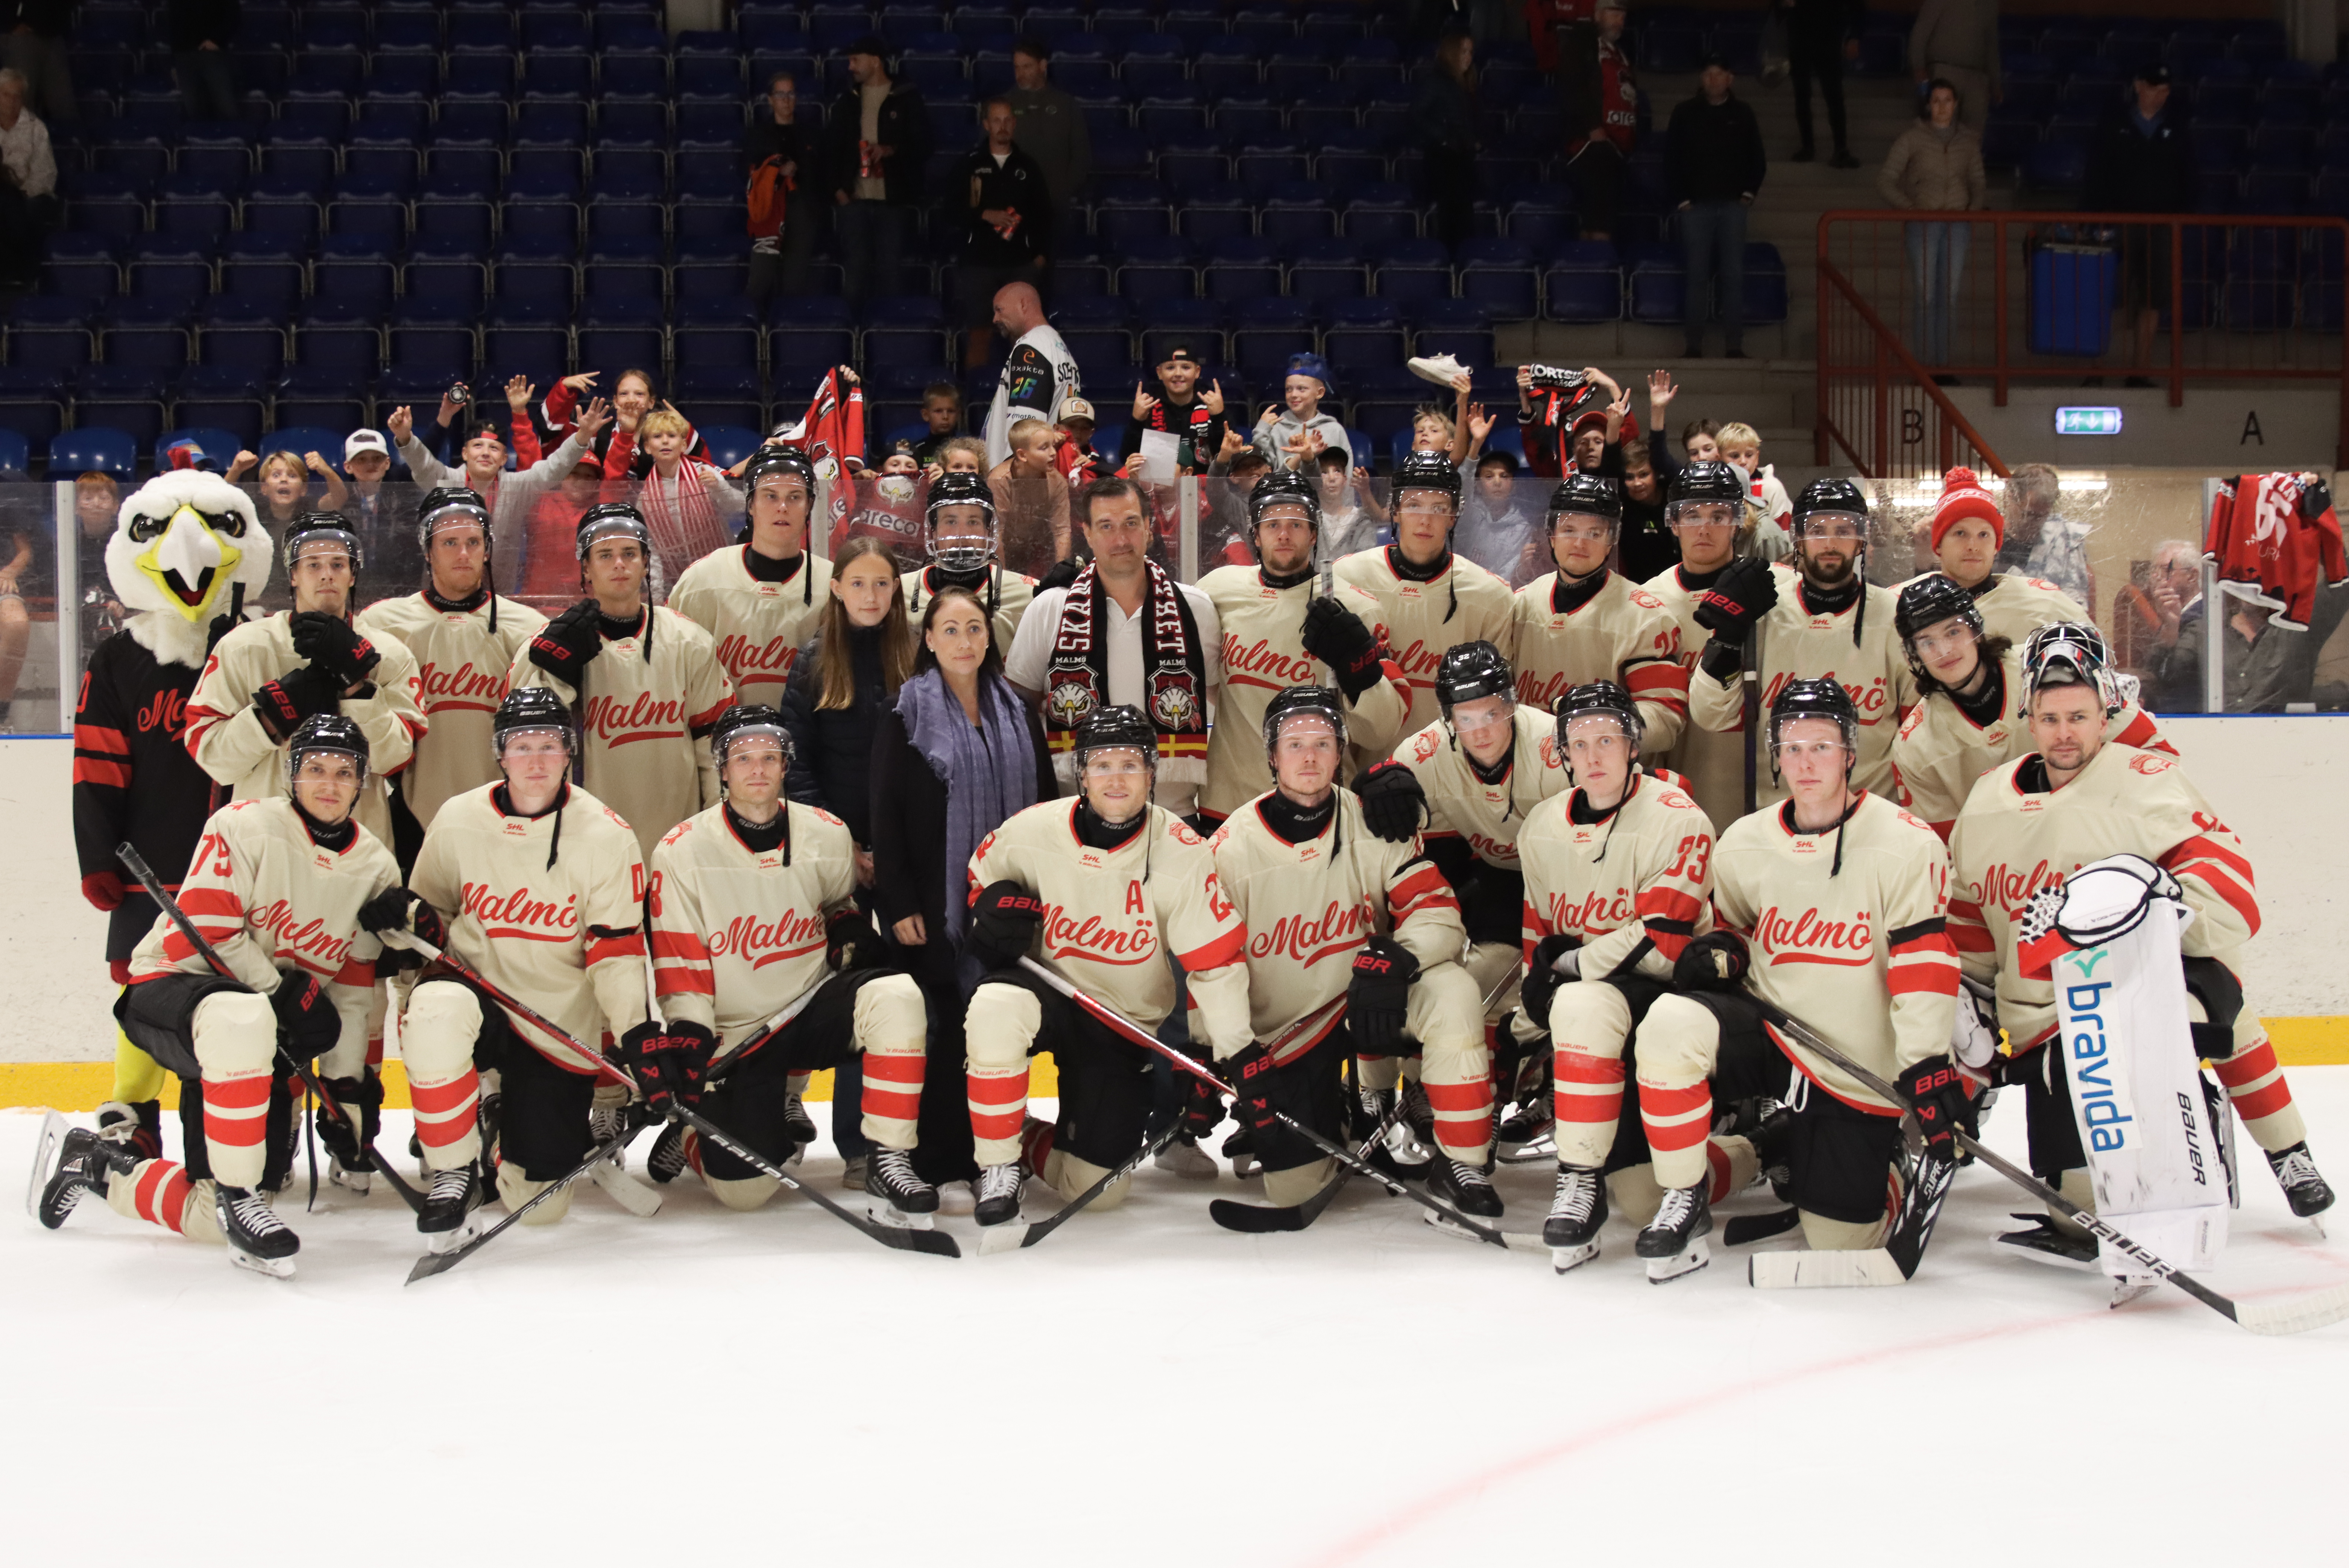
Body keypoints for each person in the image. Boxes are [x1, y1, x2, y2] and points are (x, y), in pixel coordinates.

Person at [1949, 627, 2335, 1251]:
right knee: (2084, 1213)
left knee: (2222, 1013)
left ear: (2106, 712)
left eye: (2079, 715)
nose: (2065, 732)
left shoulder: (2148, 777)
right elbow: (1970, 923)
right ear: (2030, 718)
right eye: (2050, 718)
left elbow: (2228, 882)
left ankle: (2288, 1150)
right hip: (2046, 1025)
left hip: (2140, 992)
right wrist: (1967, 1004)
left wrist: (2158, 899)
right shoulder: (1987, 802)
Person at [36, 716, 401, 1273]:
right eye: (316, 769)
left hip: (256, 1036)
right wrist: (279, 991)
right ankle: (236, 1193)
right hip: (172, 993)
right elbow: (208, 930)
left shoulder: (375, 865)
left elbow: (352, 987)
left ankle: (98, 1166)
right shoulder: (242, 823)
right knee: (242, 1013)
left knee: (216, 1215)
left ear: (362, 783)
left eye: (344, 772)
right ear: (291, 775)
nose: (329, 783)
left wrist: (343, 1089)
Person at [1627, 679, 1960, 1272]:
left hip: (1850, 1063)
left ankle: (1875, 1160)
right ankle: (1690, 1189)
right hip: (1774, 1032)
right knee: (1671, 1022)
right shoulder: (1744, 842)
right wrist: (1719, 950)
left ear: (1850, 752)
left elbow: (1923, 964)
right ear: (1776, 755)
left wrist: (1926, 1066)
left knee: (1839, 1243)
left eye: (1822, 747)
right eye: (1792, 747)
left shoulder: (1906, 844)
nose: (1806, 762)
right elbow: (1735, 930)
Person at [644, 705, 939, 1221]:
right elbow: (679, 961)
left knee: (896, 994)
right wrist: (689, 1034)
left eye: (769, 758)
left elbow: (836, 906)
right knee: (745, 1191)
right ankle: (694, 1130)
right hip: (740, 1030)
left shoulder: (827, 832)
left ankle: (888, 1156)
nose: (757, 769)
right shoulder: (680, 850)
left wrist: (846, 923)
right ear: (723, 767)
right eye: (743, 759)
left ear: (786, 765)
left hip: (807, 1008)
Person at [958, 704, 1249, 1224]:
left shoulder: (1183, 852)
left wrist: (1231, 1058)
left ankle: (1020, 1136)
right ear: (1081, 774)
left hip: (1122, 1021)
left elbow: (1215, 966)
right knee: (996, 1004)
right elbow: (982, 874)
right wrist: (990, 903)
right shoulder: (1035, 829)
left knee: (1098, 1188)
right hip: (1047, 990)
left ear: (1152, 774)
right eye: (1102, 765)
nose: (1116, 779)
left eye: (1130, 765)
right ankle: (996, 1165)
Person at [1207, 686, 1490, 1210]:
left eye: (1322, 742)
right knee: (1293, 1187)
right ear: (1271, 756)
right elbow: (1209, 964)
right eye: (1294, 744)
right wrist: (1223, 1052)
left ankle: (1463, 1164)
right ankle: (1336, 1114)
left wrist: (1396, 956)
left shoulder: (1374, 821)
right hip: (1290, 1032)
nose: (1309, 756)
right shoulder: (1230, 847)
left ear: (1341, 752)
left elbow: (1437, 913)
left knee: (1451, 990)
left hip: (1370, 998)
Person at [1512, 682, 1755, 1269]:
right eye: (1579, 744)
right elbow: (1538, 939)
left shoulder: (1678, 819)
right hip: (1596, 1017)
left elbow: (1660, 943)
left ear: (1632, 746)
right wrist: (1523, 1024)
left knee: (1582, 998)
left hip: (1674, 1008)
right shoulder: (1542, 827)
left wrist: (1569, 965)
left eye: (1607, 740)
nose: (1593, 756)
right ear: (1563, 754)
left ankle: (1757, 1150)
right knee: (1637, 1196)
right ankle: (1581, 1179)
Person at [395, 688, 653, 1239]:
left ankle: (496, 1128)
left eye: (550, 746)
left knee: (541, 1207)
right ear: (500, 753)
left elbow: (615, 954)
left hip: (555, 1027)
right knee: (436, 1007)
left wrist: (638, 1037)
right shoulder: (459, 817)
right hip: (475, 998)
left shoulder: (607, 834)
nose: (535, 760)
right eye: (521, 745)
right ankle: (454, 1170)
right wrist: (409, 919)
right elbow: (430, 916)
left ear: (570, 753)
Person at [72, 469, 275, 1170]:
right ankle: (135, 1110)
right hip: (148, 861)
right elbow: (97, 766)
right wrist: (98, 859)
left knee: (244, 989)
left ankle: (239, 1120)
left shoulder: (260, 647)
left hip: (247, 862)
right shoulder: (120, 656)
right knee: (143, 983)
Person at [871, 581, 1055, 1198]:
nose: (963, 640)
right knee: (944, 1024)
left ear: (990, 637)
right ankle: (941, 1156)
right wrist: (898, 903)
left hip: (1007, 903)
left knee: (993, 1026)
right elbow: (886, 814)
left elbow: (1047, 809)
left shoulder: (1018, 710)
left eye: (973, 627)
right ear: (927, 639)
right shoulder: (907, 710)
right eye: (949, 629)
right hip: (932, 902)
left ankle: (996, 1155)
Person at [1356, 641, 1570, 1151]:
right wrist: (1374, 787)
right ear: (1448, 718)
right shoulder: (1424, 753)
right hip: (1498, 875)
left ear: (1512, 704)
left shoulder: (1554, 745)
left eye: (1492, 712)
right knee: (1468, 978)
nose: (1481, 729)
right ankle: (1472, 1092)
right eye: (1466, 716)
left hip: (1571, 879)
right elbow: (1410, 844)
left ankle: (1561, 1086)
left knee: (1567, 987)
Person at [774, 538, 913, 1180]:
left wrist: (896, 844)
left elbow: (925, 763)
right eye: (858, 582)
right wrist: (844, 848)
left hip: (902, 850)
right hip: (835, 853)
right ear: (836, 587)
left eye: (882, 583)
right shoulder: (811, 661)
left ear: (896, 591)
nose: (870, 595)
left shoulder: (915, 656)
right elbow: (793, 765)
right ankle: (785, 1103)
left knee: (894, 993)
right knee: (826, 982)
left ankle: (874, 1144)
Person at [510, 502, 737, 862]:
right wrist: (556, 677)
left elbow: (713, 747)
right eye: (605, 554)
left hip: (678, 841)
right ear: (585, 566)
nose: (619, 563)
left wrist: (718, 824)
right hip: (585, 846)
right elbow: (521, 754)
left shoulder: (689, 641)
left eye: (630, 553)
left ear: (647, 562)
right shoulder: (544, 648)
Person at [184, 514, 427, 849]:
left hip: (358, 848)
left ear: (353, 575)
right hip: (264, 843)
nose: (327, 574)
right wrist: (271, 716)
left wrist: (358, 688)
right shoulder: (243, 646)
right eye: (312, 564)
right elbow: (212, 757)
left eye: (338, 564)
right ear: (294, 575)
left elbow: (394, 759)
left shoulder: (389, 653)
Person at [1686, 475, 1914, 806]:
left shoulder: (1895, 616)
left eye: (1843, 531)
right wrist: (1727, 639)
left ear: (1861, 540)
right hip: (1775, 812)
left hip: (1870, 815)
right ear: (1798, 538)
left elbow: (1916, 734)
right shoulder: (1763, 608)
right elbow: (1711, 715)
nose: (1830, 543)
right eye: (1817, 530)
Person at [1198, 471, 1409, 825]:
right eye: (1272, 524)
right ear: (1255, 534)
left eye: (1296, 524)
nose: (1283, 534)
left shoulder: (1355, 607)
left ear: (1313, 533)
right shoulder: (1217, 590)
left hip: (1319, 800)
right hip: (1227, 801)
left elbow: (1380, 731)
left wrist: (1358, 667)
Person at [1006, 477, 1224, 819]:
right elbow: (1017, 714)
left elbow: (1217, 702)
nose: (1121, 539)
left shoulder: (1196, 608)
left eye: (1131, 523)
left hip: (1172, 815)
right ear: (1087, 533)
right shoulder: (1050, 609)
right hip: (1075, 815)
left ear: (1149, 528)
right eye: (1106, 526)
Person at [354, 489, 548, 867]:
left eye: (473, 542)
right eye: (450, 543)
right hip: (410, 808)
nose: (463, 554)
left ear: (488, 550)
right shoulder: (382, 624)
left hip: (506, 811)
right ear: (428, 551)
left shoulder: (529, 627)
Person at [1892, 583, 2171, 838]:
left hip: (2099, 840)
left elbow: (2154, 753)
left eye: (1953, 632)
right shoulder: (1915, 746)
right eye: (1927, 642)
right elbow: (1946, 853)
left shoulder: (2056, 664)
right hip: (2007, 869)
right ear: (1913, 654)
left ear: (1975, 629)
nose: (1944, 650)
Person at [1332, 451, 1517, 735]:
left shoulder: (1492, 597)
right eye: (1414, 505)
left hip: (1450, 765)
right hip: (1366, 764)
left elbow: (1497, 704)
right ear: (1395, 510)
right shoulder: (1346, 578)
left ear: (1454, 516)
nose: (1425, 520)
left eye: (1439, 508)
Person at [1509, 472, 1689, 747]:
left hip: (1602, 777)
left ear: (1611, 540)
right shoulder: (1522, 602)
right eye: (1569, 530)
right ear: (1551, 535)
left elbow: (1664, 718)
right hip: (1530, 773)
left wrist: (1600, 724)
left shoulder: (1645, 614)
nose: (1580, 543)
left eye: (1594, 533)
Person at [1638, 462, 1759, 832]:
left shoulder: (1770, 591)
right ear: (1672, 523)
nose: (1704, 528)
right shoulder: (1647, 601)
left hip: (1751, 783)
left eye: (1718, 515)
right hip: (1674, 786)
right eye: (1691, 516)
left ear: (1737, 522)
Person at [667, 448, 834, 709]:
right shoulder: (701, 580)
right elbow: (673, 673)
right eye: (770, 496)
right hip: (721, 744)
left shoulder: (835, 584)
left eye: (795, 497)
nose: (782, 507)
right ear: (751, 504)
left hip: (803, 744)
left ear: (809, 506)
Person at [389, 398, 609, 595]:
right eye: (478, 446)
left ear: (504, 458)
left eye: (494, 448)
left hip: (497, 596)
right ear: (465, 454)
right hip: (442, 593)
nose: (485, 453)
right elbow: (422, 464)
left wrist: (582, 436)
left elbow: (554, 468)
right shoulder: (446, 481)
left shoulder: (517, 488)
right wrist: (405, 436)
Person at [2081, 64, 2193, 384]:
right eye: (2154, 87)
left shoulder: (2176, 127)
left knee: (2152, 298)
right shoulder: (2114, 125)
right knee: (2108, 297)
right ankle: (2097, 369)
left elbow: (2189, 176)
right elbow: (2095, 173)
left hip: (2160, 225)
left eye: (2165, 90)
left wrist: (2182, 216)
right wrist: (2089, 216)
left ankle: (2139, 370)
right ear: (2138, 87)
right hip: (2118, 223)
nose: (2159, 95)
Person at [1906, 466, 2089, 646]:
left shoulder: (2049, 598)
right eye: (1960, 534)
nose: (1974, 547)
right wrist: (1923, 558)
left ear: (1995, 546)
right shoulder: (1911, 606)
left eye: (1984, 535)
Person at [1878, 80, 1986, 377]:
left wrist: (1972, 211)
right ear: (1928, 105)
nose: (1941, 107)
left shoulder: (1967, 141)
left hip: (1958, 225)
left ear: (1955, 104)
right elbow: (1886, 179)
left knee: (1949, 296)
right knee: (1926, 294)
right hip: (1923, 224)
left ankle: (1944, 365)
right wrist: (1911, 208)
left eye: (1947, 100)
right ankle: (1923, 365)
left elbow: (1977, 180)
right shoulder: (1912, 138)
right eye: (1936, 100)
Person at [1666, 55, 1767, 359]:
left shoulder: (1743, 113)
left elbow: (1756, 159)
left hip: (1732, 207)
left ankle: (1734, 345)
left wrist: (1748, 194)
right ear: (1702, 78)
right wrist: (1683, 199)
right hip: (1695, 208)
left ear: (1730, 79)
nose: (1713, 80)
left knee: (1732, 275)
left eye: (1719, 74)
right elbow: (1671, 159)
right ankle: (1693, 344)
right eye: (1708, 74)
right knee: (1696, 274)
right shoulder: (1684, 113)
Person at [827, 36, 931, 305]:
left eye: (855, 60)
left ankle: (889, 338)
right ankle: (851, 339)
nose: (851, 67)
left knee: (891, 272)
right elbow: (830, 149)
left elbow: (924, 145)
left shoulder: (906, 96)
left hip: (893, 202)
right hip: (855, 201)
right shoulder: (848, 101)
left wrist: (890, 151)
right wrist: (840, 192)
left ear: (875, 61)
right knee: (855, 273)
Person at [600, 407, 747, 593]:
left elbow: (739, 507)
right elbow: (653, 549)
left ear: (684, 445)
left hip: (720, 573)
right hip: (677, 581)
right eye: (657, 436)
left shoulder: (704, 473)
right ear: (647, 447)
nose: (665, 441)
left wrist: (720, 489)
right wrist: (657, 596)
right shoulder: (646, 495)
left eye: (672, 435)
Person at [955, 99, 1055, 369]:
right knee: (979, 335)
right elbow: (950, 212)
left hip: (1020, 265)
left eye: (1007, 120)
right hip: (979, 264)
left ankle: (1027, 403)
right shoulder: (970, 165)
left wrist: (1040, 256)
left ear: (1014, 124)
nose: (1002, 126)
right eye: (996, 121)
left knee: (1026, 339)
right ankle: (976, 399)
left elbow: (1044, 215)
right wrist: (983, 215)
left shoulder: (1028, 167)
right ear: (987, 125)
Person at [900, 470, 1036, 659]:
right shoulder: (897, 593)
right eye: (951, 521)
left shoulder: (1030, 595)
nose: (961, 534)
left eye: (973, 522)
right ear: (933, 531)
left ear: (988, 530)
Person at [1005, 37, 1091, 255]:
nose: (1020, 73)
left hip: (1055, 208)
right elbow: (987, 153)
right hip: (1012, 209)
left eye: (1027, 67)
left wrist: (1060, 193)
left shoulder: (1066, 105)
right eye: (1017, 67)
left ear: (1043, 66)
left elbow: (1081, 156)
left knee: (1050, 271)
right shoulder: (1003, 105)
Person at [981, 280, 1079, 469]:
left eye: (999, 310)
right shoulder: (1059, 348)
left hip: (1023, 479)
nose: (995, 319)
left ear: (1023, 304)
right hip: (1049, 469)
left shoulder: (1031, 349)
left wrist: (1010, 475)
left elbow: (1025, 429)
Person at [1564, 0, 1638, 242]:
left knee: (1604, 213)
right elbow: (1572, 85)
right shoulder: (1583, 42)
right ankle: (1594, 268)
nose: (1620, 21)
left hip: (1615, 145)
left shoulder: (1619, 52)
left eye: (1623, 16)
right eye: (1614, 14)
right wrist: (1592, 126)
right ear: (1597, 15)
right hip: (1593, 144)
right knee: (1598, 219)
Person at [747, 70, 820, 305]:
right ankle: (753, 330)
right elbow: (748, 169)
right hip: (769, 208)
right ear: (770, 99)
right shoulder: (758, 135)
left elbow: (820, 172)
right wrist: (776, 170)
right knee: (761, 277)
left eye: (790, 93)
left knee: (795, 281)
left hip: (802, 207)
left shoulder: (811, 133)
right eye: (780, 94)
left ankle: (787, 333)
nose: (786, 99)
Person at [1412, 26, 1479, 252]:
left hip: (1461, 157)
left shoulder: (1465, 84)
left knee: (1463, 217)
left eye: (1470, 52)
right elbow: (1417, 116)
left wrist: (1473, 141)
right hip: (1444, 160)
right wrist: (1444, 139)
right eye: (1463, 52)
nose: (1468, 58)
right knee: (1451, 217)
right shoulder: (1437, 81)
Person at [1776, 0, 1863, 167]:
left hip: (1828, 37)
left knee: (1834, 95)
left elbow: (1857, 6)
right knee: (1803, 94)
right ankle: (1808, 147)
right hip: (1801, 37)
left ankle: (1840, 148)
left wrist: (1855, 36)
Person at [1121, 345, 1228, 477]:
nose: (1178, 374)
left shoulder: (1211, 404)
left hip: (1207, 486)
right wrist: (1136, 421)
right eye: (1171, 368)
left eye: (1186, 368)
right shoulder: (1148, 406)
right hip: (1159, 486)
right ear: (1159, 373)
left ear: (1197, 372)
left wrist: (1219, 416)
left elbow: (1228, 458)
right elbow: (1127, 459)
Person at [2114, 536, 2200, 701]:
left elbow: (2173, 676)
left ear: (2191, 577)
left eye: (2164, 570)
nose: (2155, 577)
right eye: (2154, 571)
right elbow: (2153, 670)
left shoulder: (2205, 619)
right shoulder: (2172, 618)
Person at [1998, 463, 2094, 609]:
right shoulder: (1987, 536)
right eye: (2029, 514)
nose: (2035, 523)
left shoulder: (2067, 540)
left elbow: (2076, 604)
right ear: (2009, 498)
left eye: (2043, 516)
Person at [336, 429, 422, 591]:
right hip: (352, 586)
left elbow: (411, 551)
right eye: (361, 459)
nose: (370, 465)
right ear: (348, 467)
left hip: (397, 586)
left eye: (377, 459)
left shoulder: (406, 499)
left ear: (388, 463)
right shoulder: (341, 500)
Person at [988, 416, 1073, 576]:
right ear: (1022, 455)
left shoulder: (1057, 481)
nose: (1054, 453)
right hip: (1002, 555)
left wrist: (1062, 574)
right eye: (1044, 448)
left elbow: (1062, 531)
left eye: (1053, 446)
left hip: (1036, 554)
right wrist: (1002, 578)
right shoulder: (999, 481)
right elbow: (995, 534)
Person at [0, 64, 54, 287]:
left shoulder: (36, 128)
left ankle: (20, 277)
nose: (12, 101)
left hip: (26, 194)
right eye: (6, 95)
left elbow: (45, 173)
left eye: (17, 96)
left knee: (22, 210)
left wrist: (23, 194)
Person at [1908, 0, 1999, 131]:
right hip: (1944, 70)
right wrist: (1918, 66)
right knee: (1940, 131)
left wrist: (1995, 81)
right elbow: (1921, 32)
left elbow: (1992, 43)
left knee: (1973, 135)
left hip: (1977, 77)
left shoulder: (1990, 4)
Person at [1253, 352, 1351, 474]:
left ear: (1320, 393)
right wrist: (1261, 431)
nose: (1294, 395)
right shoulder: (1276, 429)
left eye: (1302, 389)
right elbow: (1262, 472)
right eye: (1289, 389)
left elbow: (1347, 478)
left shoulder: (1335, 430)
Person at [1456, 451, 1541, 587]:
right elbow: (1463, 483)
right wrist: (1476, 445)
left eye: (1504, 476)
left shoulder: (1523, 529)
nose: (1497, 482)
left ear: (1514, 486)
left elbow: (1512, 577)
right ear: (1478, 486)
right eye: (1489, 477)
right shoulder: (1468, 514)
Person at [1, 5, 74, 126]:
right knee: (21, 109)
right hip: (21, 38)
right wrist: (10, 24)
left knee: (65, 110)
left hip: (53, 36)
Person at [165, 0, 237, 121]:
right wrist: (174, 63)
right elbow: (173, 24)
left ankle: (233, 138)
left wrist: (216, 41)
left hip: (211, 56)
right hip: (183, 57)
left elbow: (234, 15)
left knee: (226, 108)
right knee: (194, 111)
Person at [910, 383, 964, 469]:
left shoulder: (967, 449)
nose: (945, 417)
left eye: (951, 411)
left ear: (958, 415)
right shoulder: (917, 451)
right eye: (938, 411)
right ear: (926, 415)